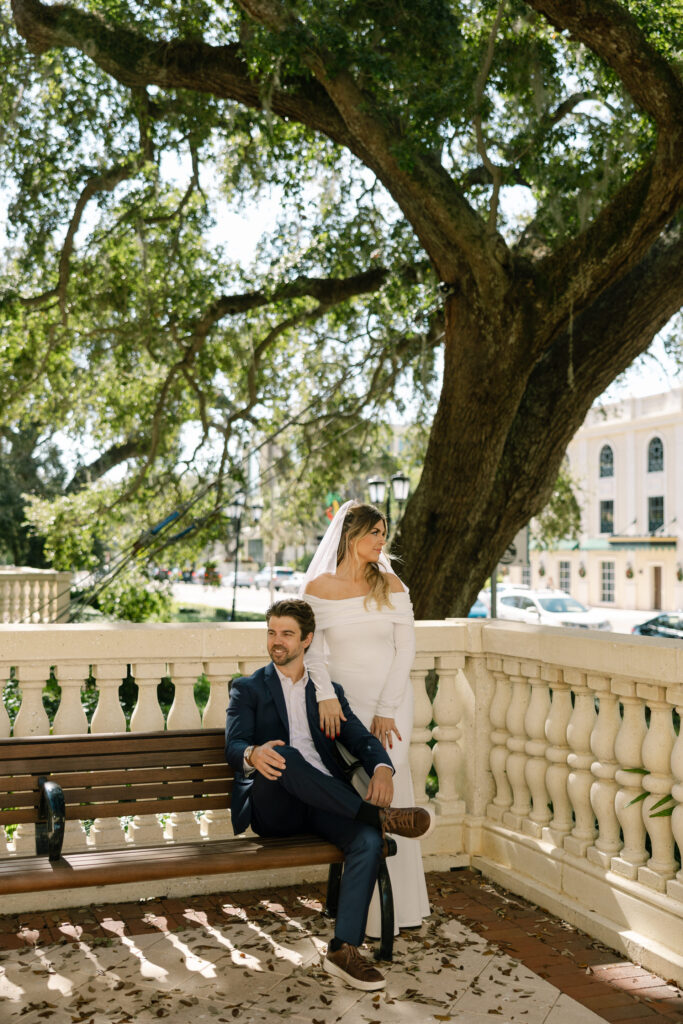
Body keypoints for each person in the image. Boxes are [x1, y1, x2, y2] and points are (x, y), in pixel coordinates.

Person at [225, 598, 433, 992]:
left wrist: (384, 767)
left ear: (307, 640)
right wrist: (253, 753)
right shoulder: (249, 688)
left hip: (323, 803)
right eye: (271, 632)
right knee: (283, 753)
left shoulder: (327, 692)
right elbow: (233, 747)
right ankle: (380, 816)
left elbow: (358, 736)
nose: (276, 642)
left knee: (368, 840)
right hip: (276, 808)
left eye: (286, 634)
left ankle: (343, 949)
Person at [300, 501, 431, 936]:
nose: (381, 541)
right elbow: (314, 653)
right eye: (374, 532)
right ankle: (362, 908)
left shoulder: (391, 583)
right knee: (358, 791)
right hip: (344, 702)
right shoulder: (318, 587)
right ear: (351, 535)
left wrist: (387, 708)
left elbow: (405, 650)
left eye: (383, 533)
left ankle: (399, 910)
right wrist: (325, 698)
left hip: (390, 701)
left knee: (390, 788)